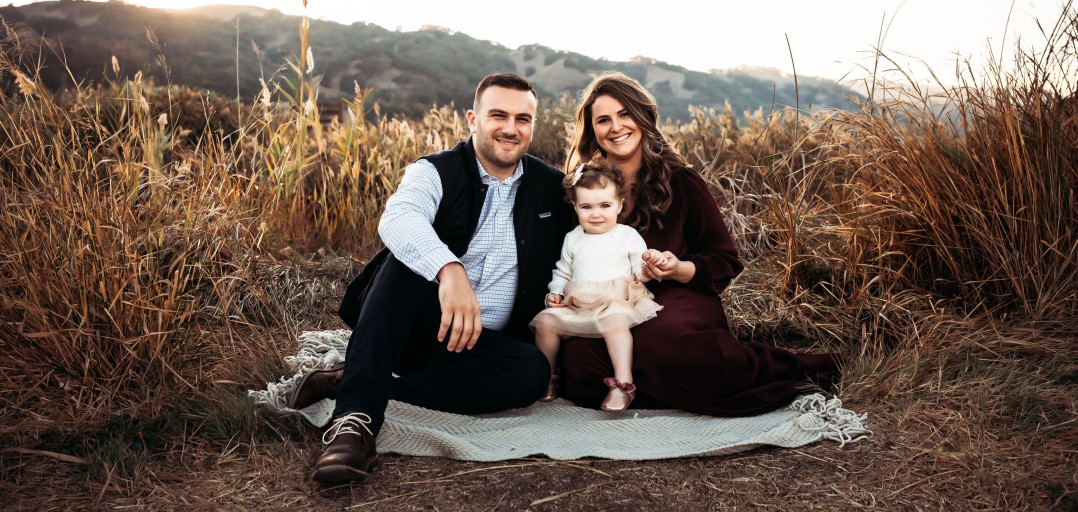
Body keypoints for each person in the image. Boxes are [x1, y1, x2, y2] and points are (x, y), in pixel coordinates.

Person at [292, 72, 575, 484]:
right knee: (405, 263)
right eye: (498, 115)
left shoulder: (550, 187)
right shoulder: (434, 171)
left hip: (484, 347)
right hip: (415, 329)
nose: (510, 129)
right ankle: (353, 424)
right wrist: (448, 269)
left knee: (531, 372)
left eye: (523, 119)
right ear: (472, 119)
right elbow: (400, 217)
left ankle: (355, 381)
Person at [557, 72, 842, 416]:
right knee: (578, 360)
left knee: (659, 342)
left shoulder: (681, 180)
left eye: (625, 114)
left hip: (678, 295)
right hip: (613, 300)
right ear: (593, 130)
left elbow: (724, 258)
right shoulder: (585, 188)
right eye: (603, 120)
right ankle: (669, 388)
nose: (616, 127)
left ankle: (765, 368)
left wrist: (679, 269)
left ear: (643, 116)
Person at [530, 161, 662, 412]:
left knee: (615, 322)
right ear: (575, 207)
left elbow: (640, 272)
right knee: (546, 321)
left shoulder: (627, 236)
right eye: (586, 207)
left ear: (620, 205)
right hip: (578, 305)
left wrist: (648, 265)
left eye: (605, 205)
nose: (596, 214)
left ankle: (622, 385)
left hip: (615, 303)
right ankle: (546, 378)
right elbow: (562, 271)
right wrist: (555, 291)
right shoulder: (573, 238)